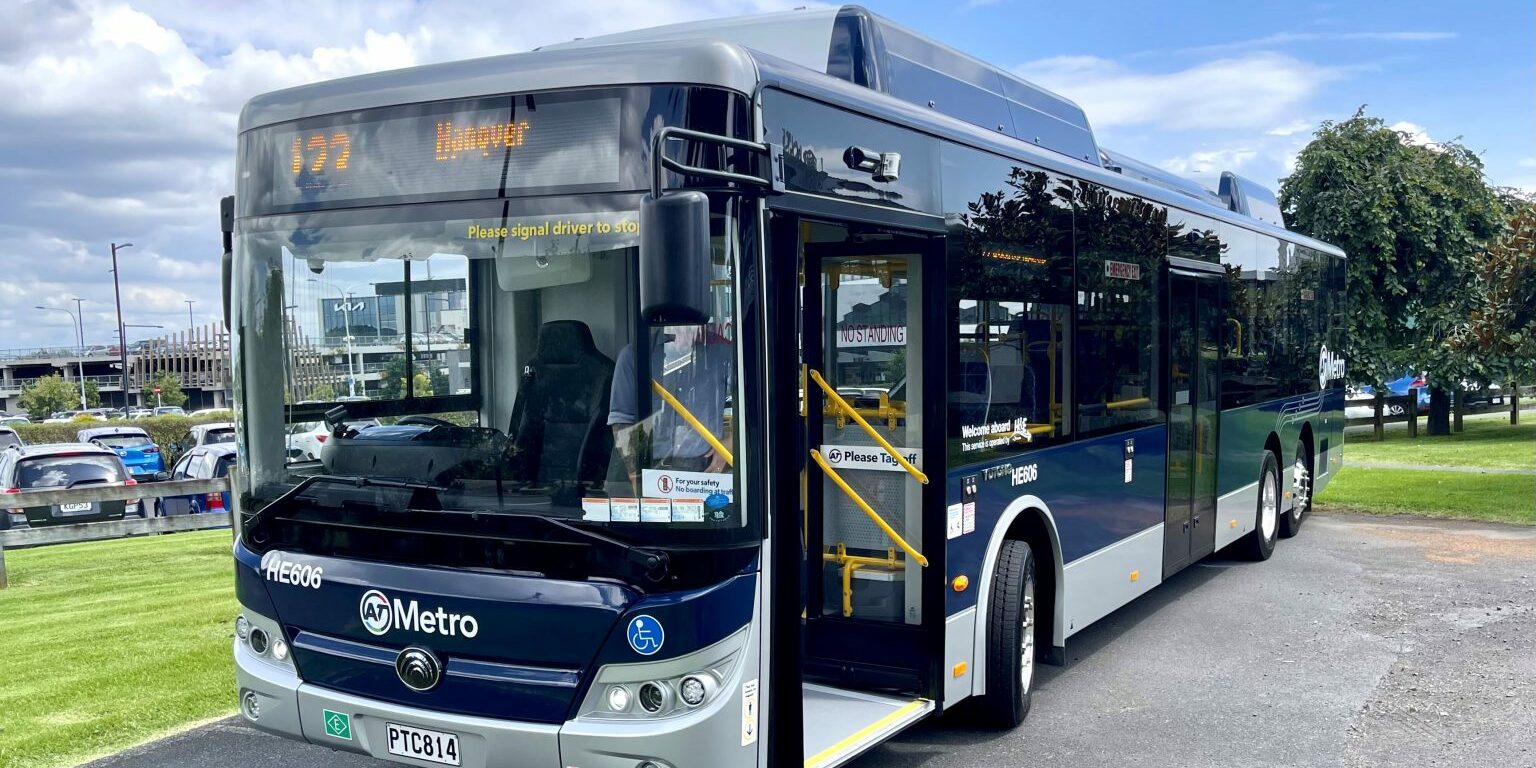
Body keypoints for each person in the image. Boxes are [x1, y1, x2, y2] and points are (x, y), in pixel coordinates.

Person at [607, 324, 733, 482]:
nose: (683, 329)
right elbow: (622, 421)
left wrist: (731, 443)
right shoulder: (634, 355)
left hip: (703, 469)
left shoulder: (724, 352)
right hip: (648, 466)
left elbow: (752, 406)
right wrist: (635, 473)